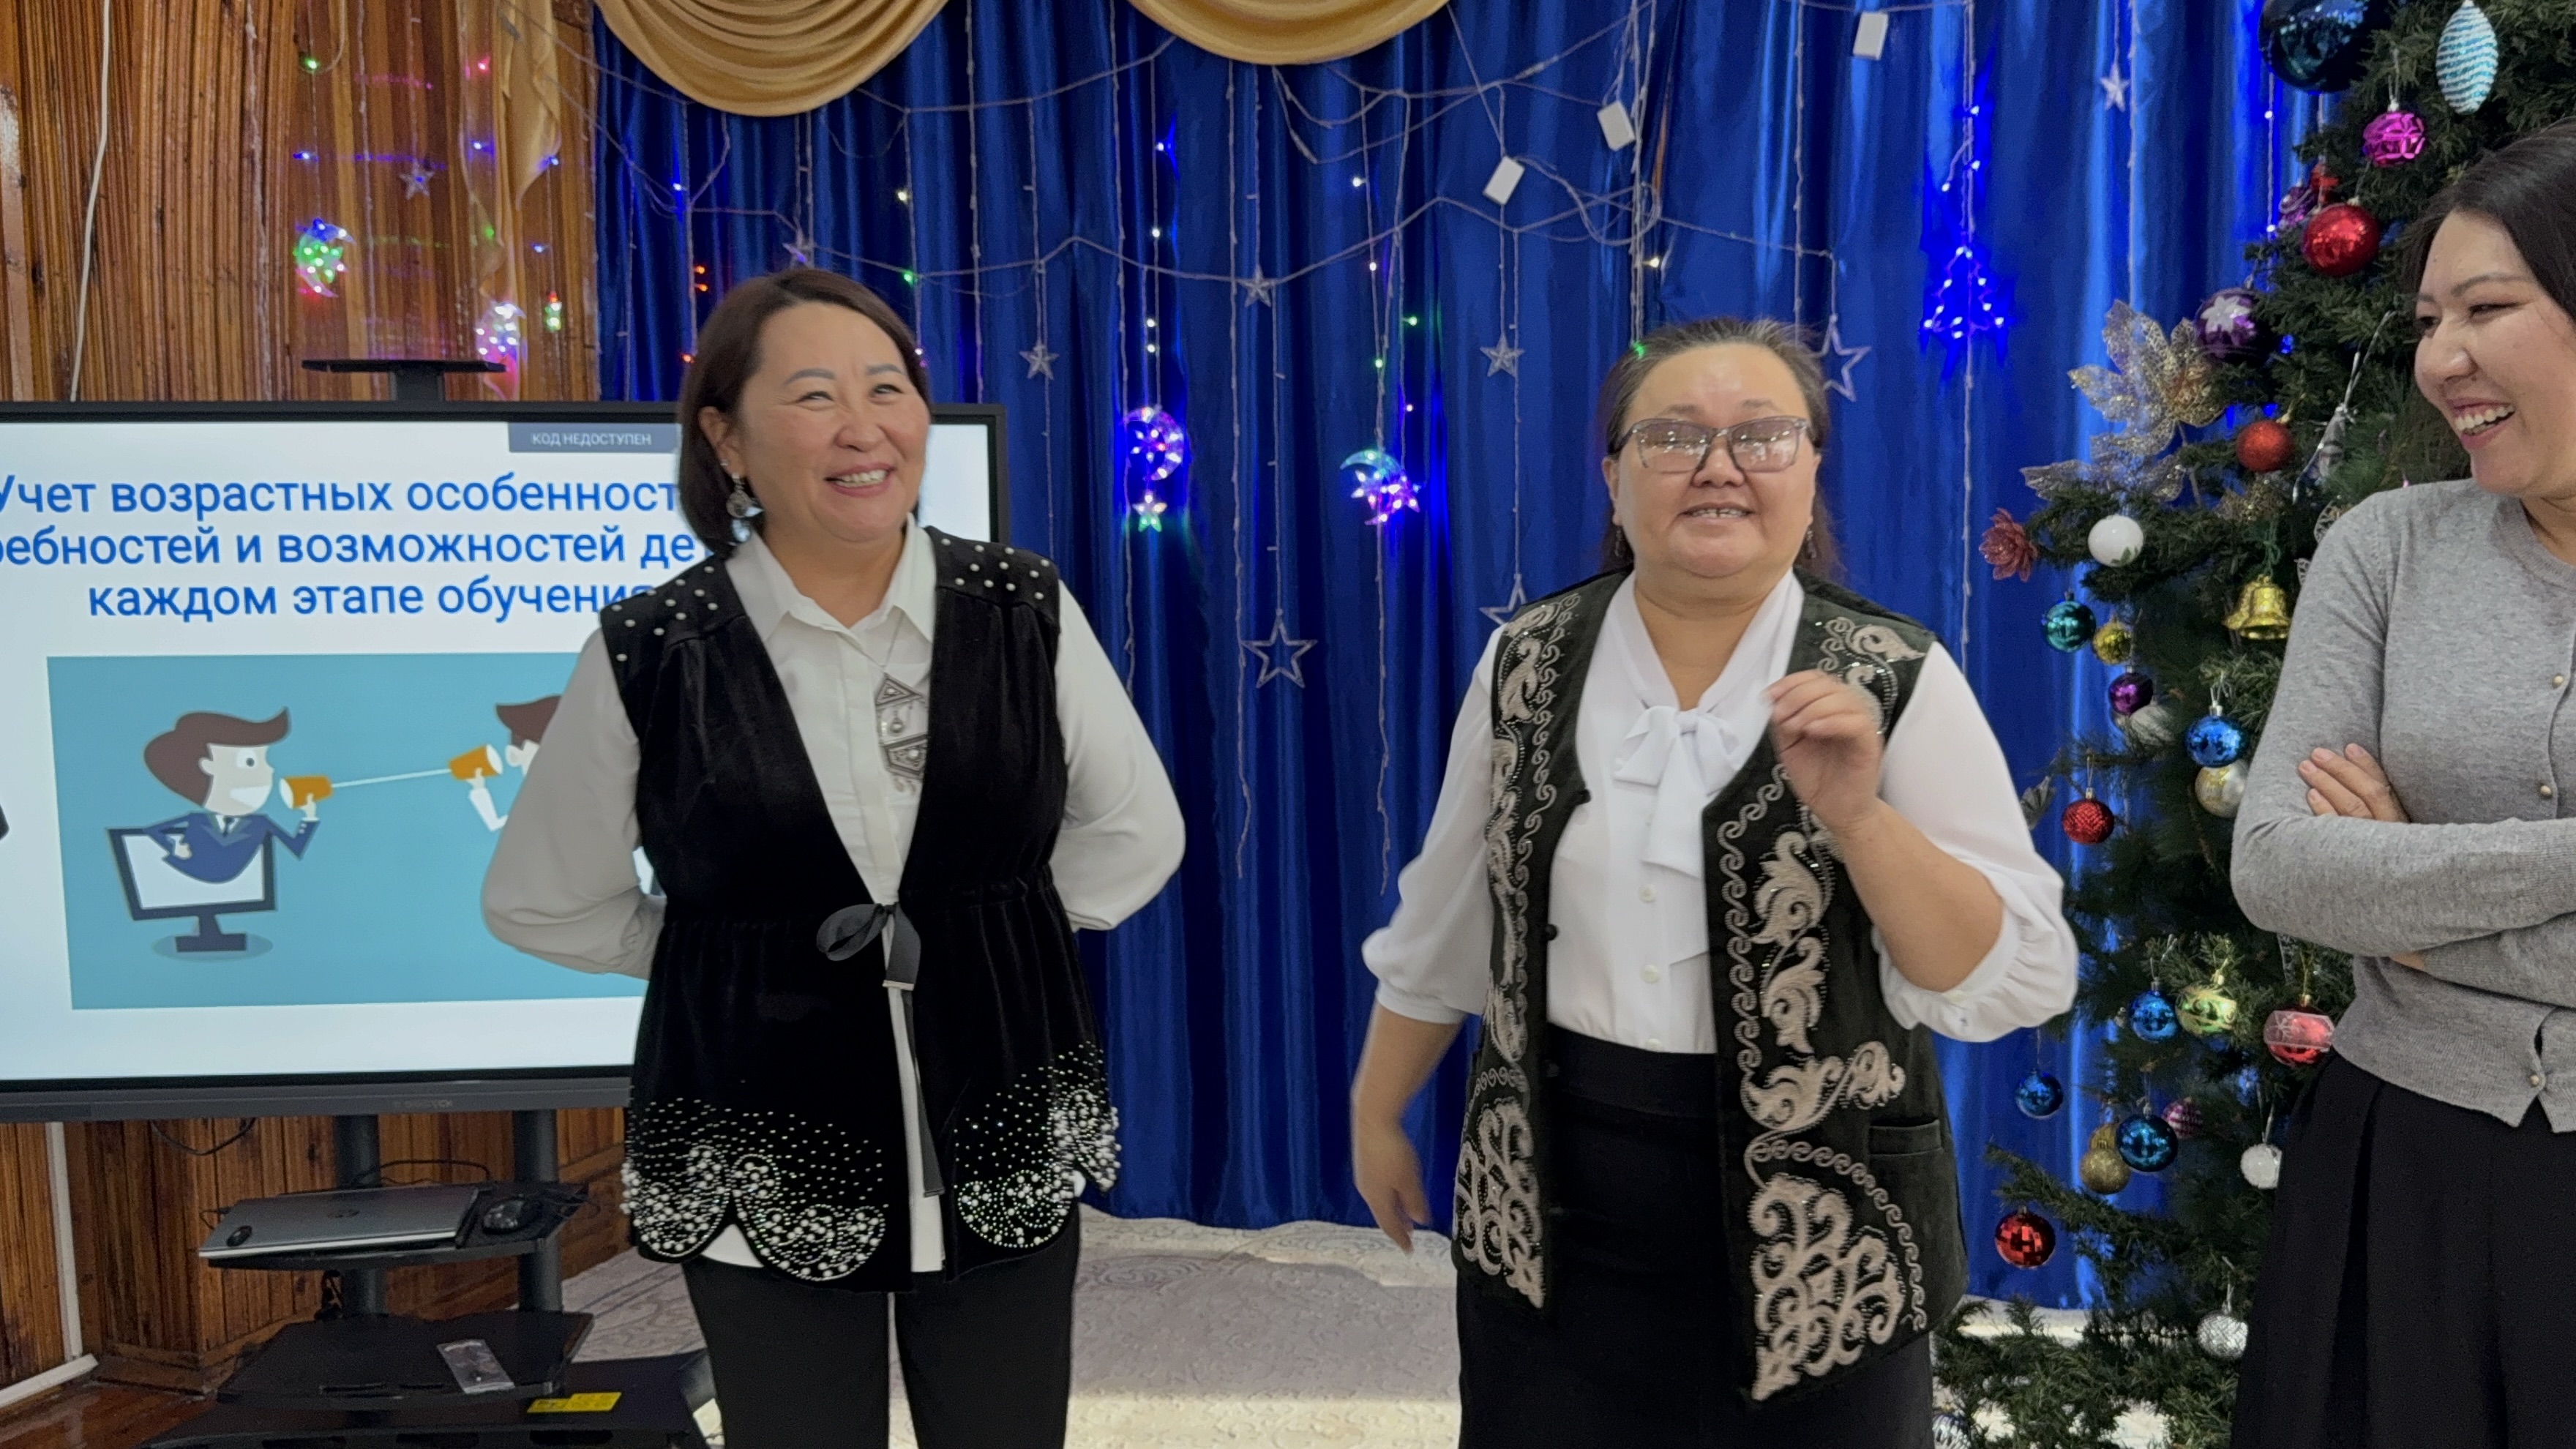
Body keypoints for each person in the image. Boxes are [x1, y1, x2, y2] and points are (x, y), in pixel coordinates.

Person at [483, 268, 1184, 1449]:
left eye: (887, 389)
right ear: (727, 438)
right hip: (758, 1125)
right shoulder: (654, 650)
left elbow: (1136, 833)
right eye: (814, 396)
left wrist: (986, 935)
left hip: (1000, 1099)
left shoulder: (1022, 608)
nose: (865, 427)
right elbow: (542, 898)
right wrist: (717, 955)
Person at [1351, 318, 2077, 1445]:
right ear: (1614, 474)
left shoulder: (1899, 676)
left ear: (1812, 467)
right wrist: (1376, 1107)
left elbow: (2002, 979)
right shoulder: (1524, 659)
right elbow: (1448, 914)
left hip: (1825, 1239)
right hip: (1553, 1209)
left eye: (1762, 436)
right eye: (1674, 436)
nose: (1718, 466)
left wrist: (1860, 819)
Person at [2230, 122, 2576, 1447]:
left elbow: (2355, 889)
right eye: (2431, 320)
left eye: (2488, 309)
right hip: (2399, 1175)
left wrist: (2415, 913)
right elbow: (2280, 866)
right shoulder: (2385, 549)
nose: (2441, 358)